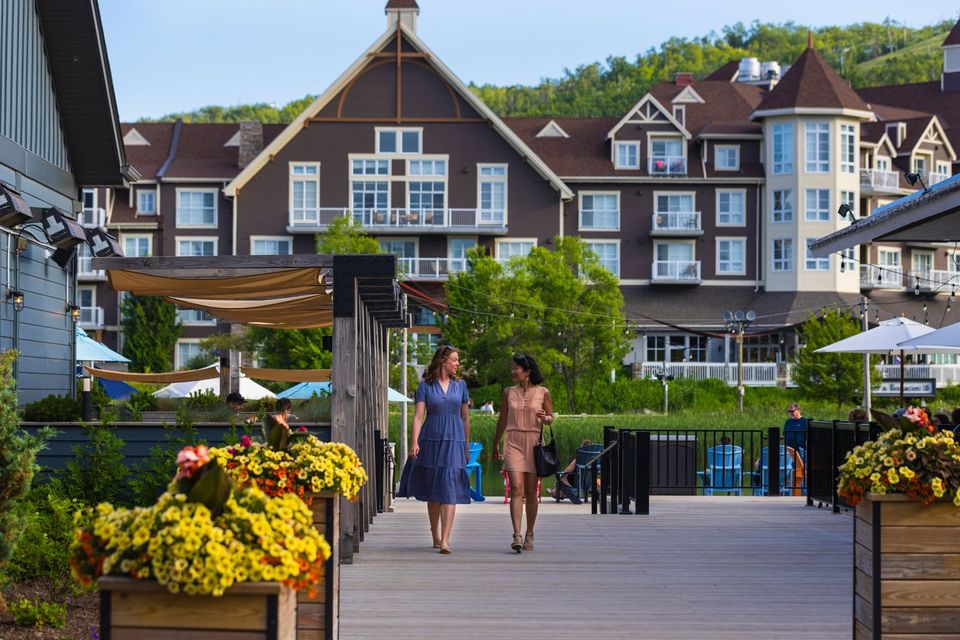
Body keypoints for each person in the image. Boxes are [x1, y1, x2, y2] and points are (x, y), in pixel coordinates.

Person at [397, 345, 471, 554]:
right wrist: (414, 442)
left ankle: (446, 539)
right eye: (455, 360)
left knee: (449, 487)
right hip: (431, 440)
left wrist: (466, 446)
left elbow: (465, 418)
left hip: (454, 440)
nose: (457, 364)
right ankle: (435, 533)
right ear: (443, 361)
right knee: (434, 489)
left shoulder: (461, 386)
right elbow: (418, 417)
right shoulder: (425, 387)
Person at [493, 354, 554, 553]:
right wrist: (496, 444)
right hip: (513, 442)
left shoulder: (543, 392)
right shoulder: (507, 392)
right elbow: (502, 419)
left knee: (531, 492)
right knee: (516, 488)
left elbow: (550, 418)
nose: (513, 371)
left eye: (516, 368)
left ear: (527, 372)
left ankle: (530, 532)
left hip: (534, 443)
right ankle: (516, 534)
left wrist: (546, 418)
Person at [549, 439, 591, 504]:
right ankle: (557, 492)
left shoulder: (579, 458)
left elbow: (568, 470)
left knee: (560, 481)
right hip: (586, 483)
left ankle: (555, 492)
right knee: (562, 482)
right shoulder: (593, 460)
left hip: (574, 482)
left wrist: (562, 475)